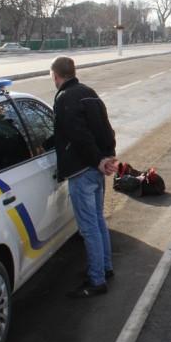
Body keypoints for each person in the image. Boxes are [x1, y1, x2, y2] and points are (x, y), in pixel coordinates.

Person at [48, 56, 118, 298]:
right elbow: (106, 129)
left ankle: (96, 280)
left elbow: (78, 136)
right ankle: (105, 268)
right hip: (96, 168)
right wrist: (108, 156)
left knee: (88, 227)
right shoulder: (89, 92)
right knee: (98, 221)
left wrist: (99, 160)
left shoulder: (65, 99)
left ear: (56, 75)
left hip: (83, 170)